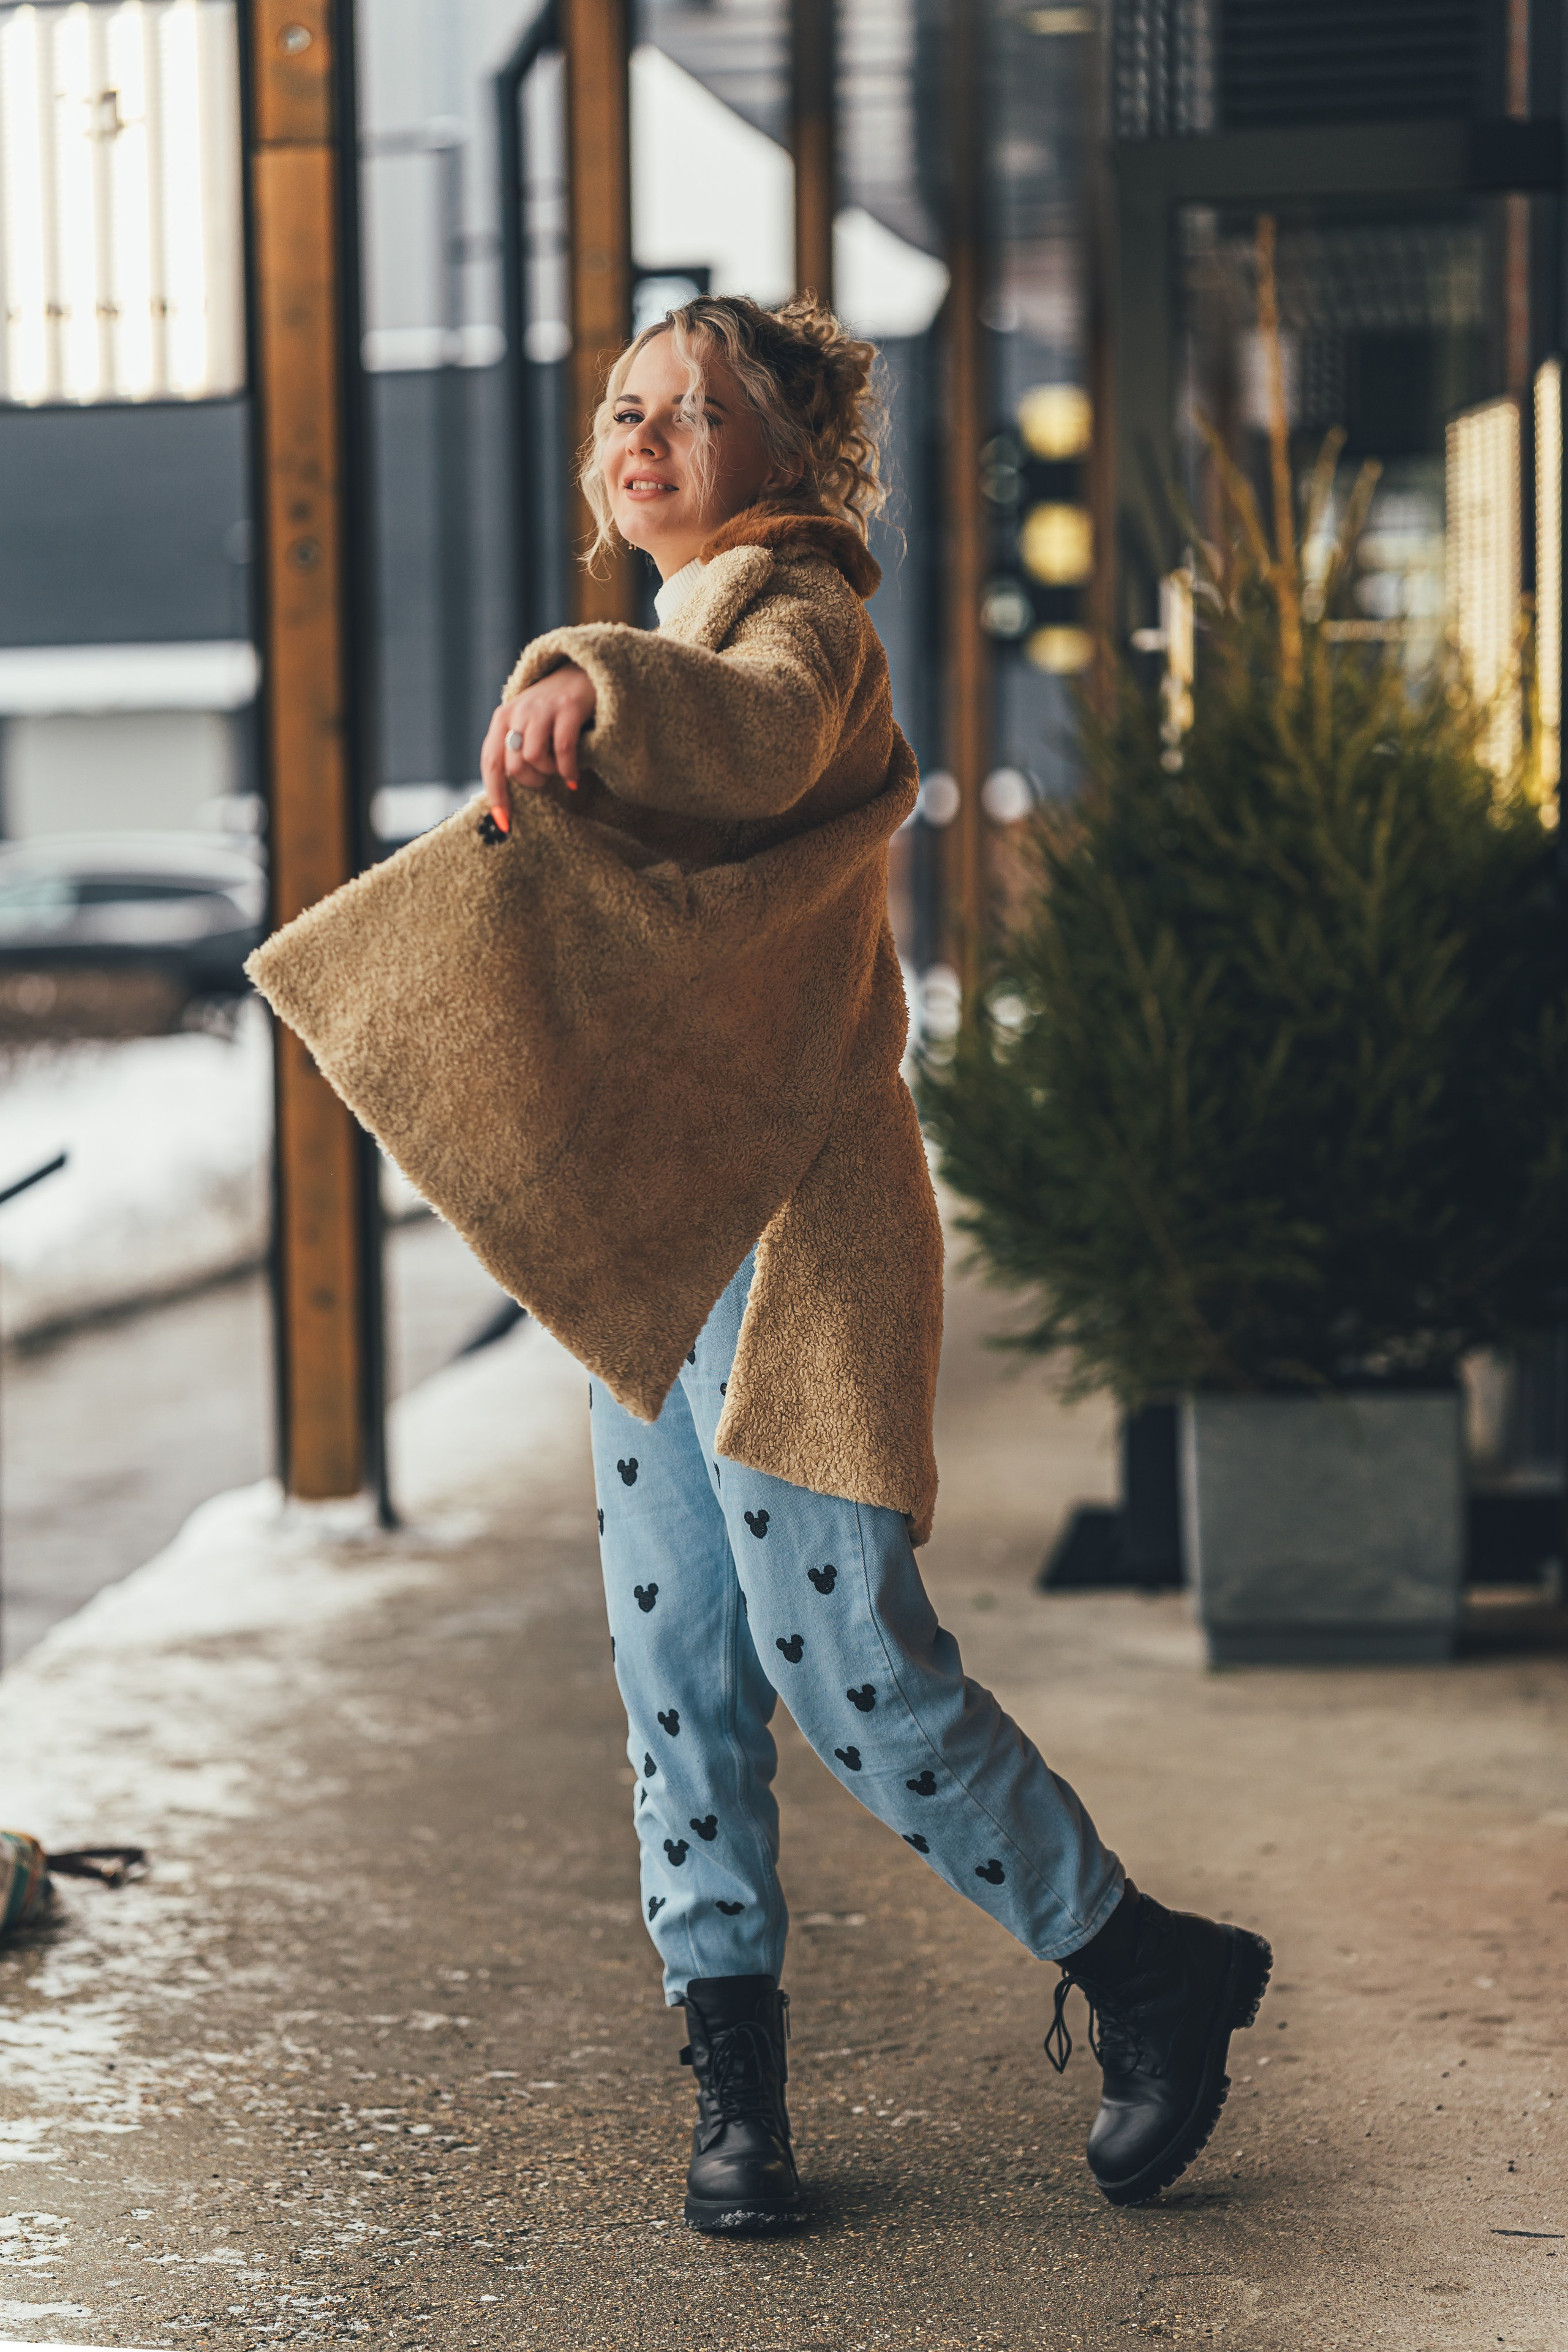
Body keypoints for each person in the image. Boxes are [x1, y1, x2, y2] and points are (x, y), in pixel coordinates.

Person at [467, 294, 1272, 2234]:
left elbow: (742, 744)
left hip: (794, 1249)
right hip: (665, 1243)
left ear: (791, 465)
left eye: (697, 413)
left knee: (844, 1663)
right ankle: (737, 2086)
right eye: (624, 409)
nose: (643, 437)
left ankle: (1145, 1962)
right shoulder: (669, 634)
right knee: (676, 1675)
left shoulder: (794, 622)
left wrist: (588, 673)